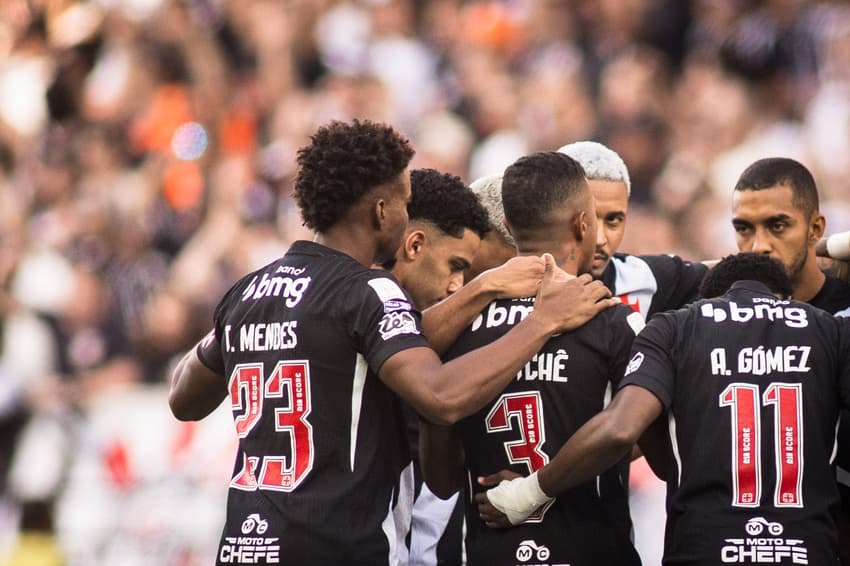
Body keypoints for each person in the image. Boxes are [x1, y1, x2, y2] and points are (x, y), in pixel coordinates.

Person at [167, 119, 617, 566]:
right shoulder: (371, 292)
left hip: (245, 547)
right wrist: (542, 322)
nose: (407, 215)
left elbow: (184, 399)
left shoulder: (249, 290)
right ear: (382, 212)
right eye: (404, 201)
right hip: (340, 547)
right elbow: (441, 396)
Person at [480, 252, 850, 565]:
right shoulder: (831, 331)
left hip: (704, 548)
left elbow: (620, 428)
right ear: (785, 297)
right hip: (809, 548)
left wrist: (528, 493)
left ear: (710, 297)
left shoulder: (675, 326)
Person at [420, 151, 646, 566]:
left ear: (507, 226)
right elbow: (636, 436)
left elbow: (441, 478)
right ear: (584, 223)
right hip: (592, 550)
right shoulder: (610, 318)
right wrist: (553, 475)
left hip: (492, 552)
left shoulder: (460, 326)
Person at [730, 157, 850, 563]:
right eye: (744, 229)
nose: (759, 245)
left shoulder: (846, 307)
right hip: (740, 538)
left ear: (815, 228)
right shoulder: (714, 317)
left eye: (777, 226)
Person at [558, 140, 709, 319]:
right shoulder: (519, 286)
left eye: (613, 220)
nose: (600, 239)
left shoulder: (643, 279)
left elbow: (730, 272)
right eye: (586, 221)